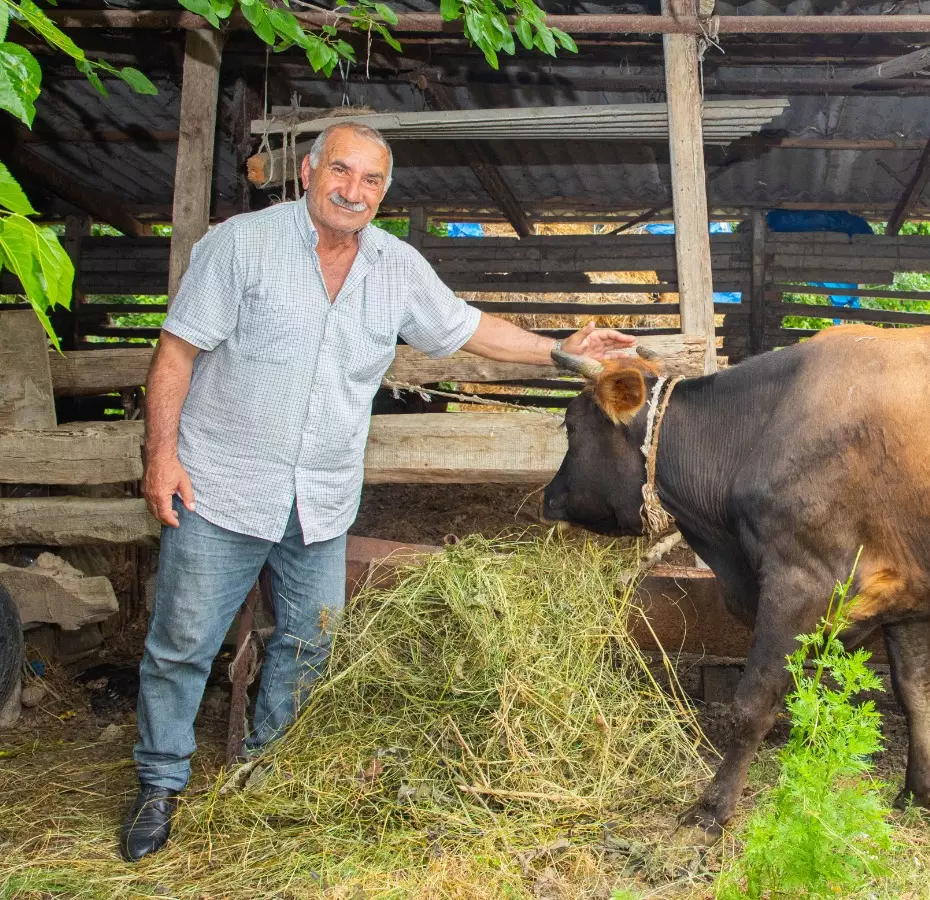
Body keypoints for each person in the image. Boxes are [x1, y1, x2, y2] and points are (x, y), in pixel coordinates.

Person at [119, 122, 634, 862]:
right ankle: (160, 785)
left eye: (370, 181)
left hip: (321, 499)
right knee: (182, 644)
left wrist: (560, 350)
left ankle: (268, 767)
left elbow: (468, 328)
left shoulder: (395, 266)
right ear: (307, 172)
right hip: (222, 485)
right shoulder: (240, 246)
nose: (352, 191)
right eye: (341, 172)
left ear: (384, 193)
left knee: (308, 642)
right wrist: (160, 456)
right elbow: (175, 352)